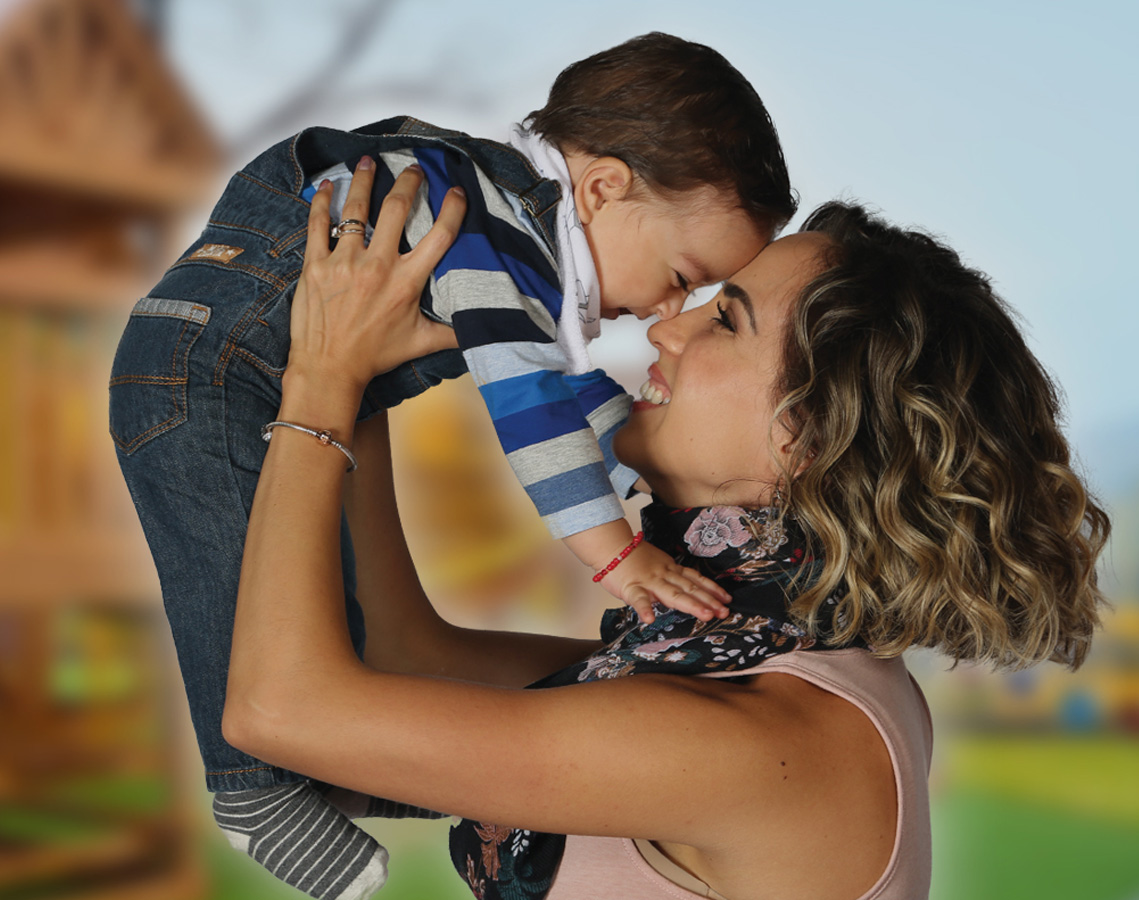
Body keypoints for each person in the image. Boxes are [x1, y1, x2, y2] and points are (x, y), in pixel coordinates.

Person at [222, 164, 1111, 900]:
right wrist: (368, 364)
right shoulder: (738, 655)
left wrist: (319, 383)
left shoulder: (769, 736)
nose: (667, 324)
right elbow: (401, 655)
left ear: (808, 435)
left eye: (724, 319)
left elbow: (280, 710)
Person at [108, 33, 796, 898]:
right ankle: (250, 787)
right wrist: (617, 556)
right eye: (681, 277)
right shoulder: (493, 237)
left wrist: (643, 490)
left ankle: (342, 766)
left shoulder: (507, 228)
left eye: (708, 309)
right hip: (206, 373)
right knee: (234, 590)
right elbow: (530, 409)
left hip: (246, 371)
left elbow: (572, 397)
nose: (664, 313)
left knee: (314, 606)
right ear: (604, 187)